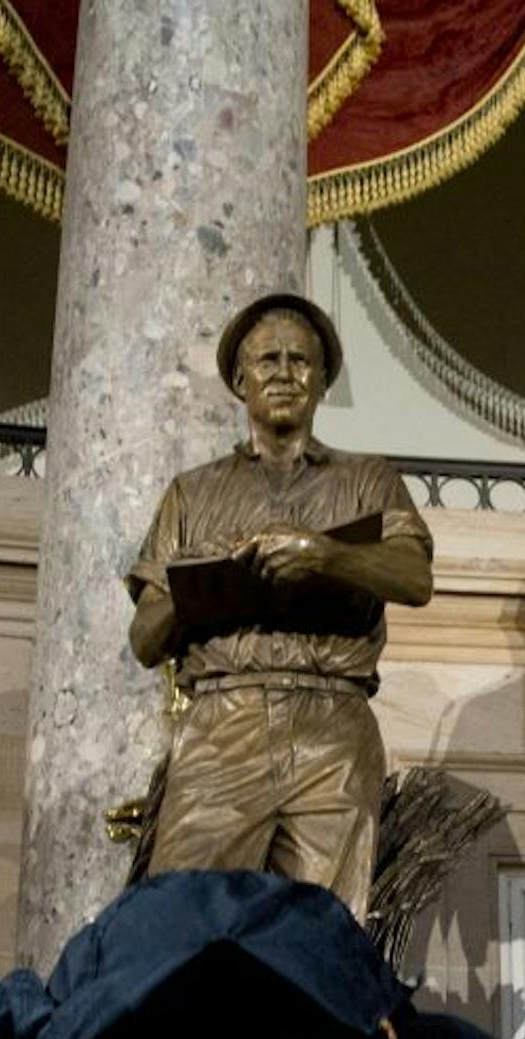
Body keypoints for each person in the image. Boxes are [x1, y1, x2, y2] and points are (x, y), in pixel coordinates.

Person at [126, 293, 433, 919]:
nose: (284, 373)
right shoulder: (192, 492)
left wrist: (326, 556)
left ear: (322, 380)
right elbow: (143, 640)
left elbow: (414, 576)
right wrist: (203, 586)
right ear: (240, 381)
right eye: (267, 360)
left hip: (333, 724)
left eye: (301, 360)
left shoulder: (368, 480)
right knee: (179, 926)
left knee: (320, 939)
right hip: (222, 722)